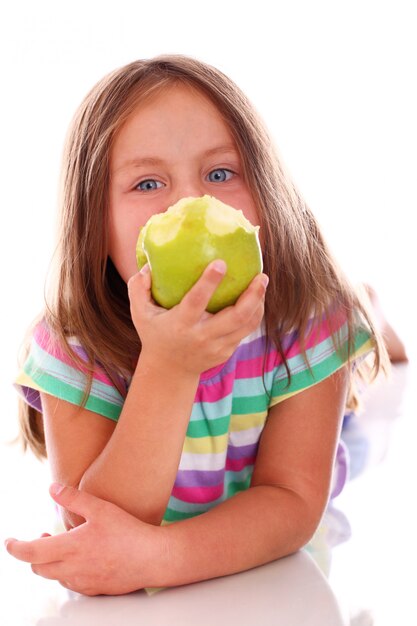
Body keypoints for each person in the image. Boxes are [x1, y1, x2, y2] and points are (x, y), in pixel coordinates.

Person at [5, 55, 391, 596]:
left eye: (219, 174)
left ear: (265, 196)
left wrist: (161, 558)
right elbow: (96, 525)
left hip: (300, 437)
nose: (191, 202)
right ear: (94, 225)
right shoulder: (73, 344)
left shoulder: (307, 316)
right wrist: (170, 366)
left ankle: (371, 315)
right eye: (147, 183)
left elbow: (294, 500)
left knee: (362, 429)